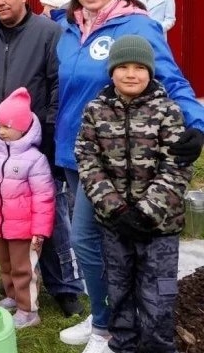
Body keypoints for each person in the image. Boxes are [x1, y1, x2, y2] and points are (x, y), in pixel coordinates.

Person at [55, 0, 204, 352]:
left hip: (120, 157)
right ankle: (106, 318)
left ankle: (109, 326)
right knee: (88, 241)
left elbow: (168, 75)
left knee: (88, 239)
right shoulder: (68, 27)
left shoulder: (137, 23)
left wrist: (197, 123)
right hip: (78, 148)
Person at [0, 0, 84, 318]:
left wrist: (47, 129)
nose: (0, 2)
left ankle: (65, 287)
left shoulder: (48, 33)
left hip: (37, 144)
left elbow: (59, 84)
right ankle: (16, 288)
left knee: (50, 215)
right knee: (7, 216)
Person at [75, 35, 190, 353]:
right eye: (122, 66)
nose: (130, 73)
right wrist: (117, 210)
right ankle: (123, 344)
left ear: (150, 72)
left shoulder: (167, 111)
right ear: (111, 71)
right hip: (115, 226)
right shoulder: (96, 111)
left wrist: (146, 212)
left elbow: (177, 167)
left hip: (160, 228)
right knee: (120, 289)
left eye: (139, 67)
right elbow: (87, 160)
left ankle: (157, 346)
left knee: (157, 295)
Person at [0, 87, 54, 329]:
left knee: (23, 268)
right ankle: (11, 296)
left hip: (25, 229)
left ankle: (28, 309)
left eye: (8, 126)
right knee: (5, 264)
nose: (2, 131)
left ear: (24, 127)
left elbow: (44, 197)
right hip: (0, 224)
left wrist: (40, 231)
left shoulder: (35, 160)